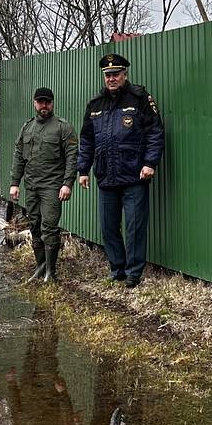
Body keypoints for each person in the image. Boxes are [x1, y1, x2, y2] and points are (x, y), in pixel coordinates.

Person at [76, 53, 165, 288]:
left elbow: (155, 132)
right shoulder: (95, 104)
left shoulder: (140, 98)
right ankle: (117, 269)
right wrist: (83, 169)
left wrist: (150, 163)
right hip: (106, 177)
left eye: (116, 74)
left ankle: (134, 273)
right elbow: (86, 139)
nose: (112, 78)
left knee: (135, 227)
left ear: (125, 74)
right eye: (108, 75)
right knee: (108, 227)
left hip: (134, 175)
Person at [9, 86, 77, 283]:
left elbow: (72, 156)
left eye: (47, 102)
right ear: (34, 103)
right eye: (40, 102)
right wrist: (15, 182)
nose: (44, 106)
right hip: (31, 186)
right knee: (35, 226)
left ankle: (51, 273)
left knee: (49, 226)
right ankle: (40, 268)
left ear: (52, 103)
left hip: (52, 186)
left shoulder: (62, 127)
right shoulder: (27, 127)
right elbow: (18, 156)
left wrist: (67, 184)